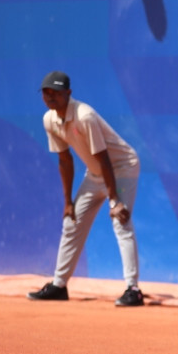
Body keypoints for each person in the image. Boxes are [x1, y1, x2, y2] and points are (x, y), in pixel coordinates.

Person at [27, 71, 145, 308]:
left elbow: (104, 159)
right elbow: (65, 160)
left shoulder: (85, 116)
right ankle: (59, 286)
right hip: (95, 173)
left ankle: (133, 290)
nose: (50, 97)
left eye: (55, 93)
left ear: (68, 94)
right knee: (71, 223)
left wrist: (114, 200)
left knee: (120, 221)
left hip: (122, 168)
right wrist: (68, 202)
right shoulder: (49, 119)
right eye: (46, 93)